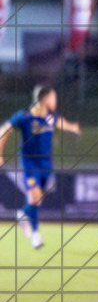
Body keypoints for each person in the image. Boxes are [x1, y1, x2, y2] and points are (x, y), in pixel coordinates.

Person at [0, 86, 81, 249]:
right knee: (34, 195)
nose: (55, 101)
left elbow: (61, 123)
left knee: (37, 199)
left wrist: (73, 127)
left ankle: (23, 214)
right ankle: (35, 234)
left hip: (46, 164)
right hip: (30, 163)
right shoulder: (24, 116)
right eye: (53, 97)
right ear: (44, 99)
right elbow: (4, 130)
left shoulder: (51, 117)